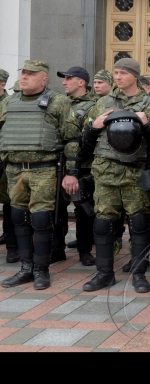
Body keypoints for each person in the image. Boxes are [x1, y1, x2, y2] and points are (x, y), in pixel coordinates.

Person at [81, 59, 150, 294]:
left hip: (136, 172)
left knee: (139, 223)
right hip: (106, 171)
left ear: (135, 76)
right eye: (116, 73)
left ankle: (139, 273)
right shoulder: (102, 103)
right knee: (103, 223)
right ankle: (104, 273)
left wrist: (147, 124)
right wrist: (94, 126)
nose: (117, 77)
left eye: (123, 73)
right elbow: (85, 139)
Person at [0, 61, 82, 291]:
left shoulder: (58, 101)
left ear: (44, 79)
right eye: (23, 73)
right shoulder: (10, 102)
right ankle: (26, 267)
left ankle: (41, 269)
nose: (24, 77)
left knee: (41, 220)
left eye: (30, 74)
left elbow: (72, 139)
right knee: (18, 217)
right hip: (15, 170)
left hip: (44, 169)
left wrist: (71, 173)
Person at [56, 67, 98, 267]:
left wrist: (75, 168)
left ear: (81, 82)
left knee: (84, 209)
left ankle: (84, 250)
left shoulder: (93, 106)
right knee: (56, 207)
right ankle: (57, 248)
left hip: (83, 165)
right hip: (59, 164)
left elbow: (86, 140)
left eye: (68, 78)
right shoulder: (59, 104)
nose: (64, 82)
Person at [0, 69, 17, 263]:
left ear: (3, 84)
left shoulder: (10, 104)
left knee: (11, 204)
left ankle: (12, 246)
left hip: (5, 162)